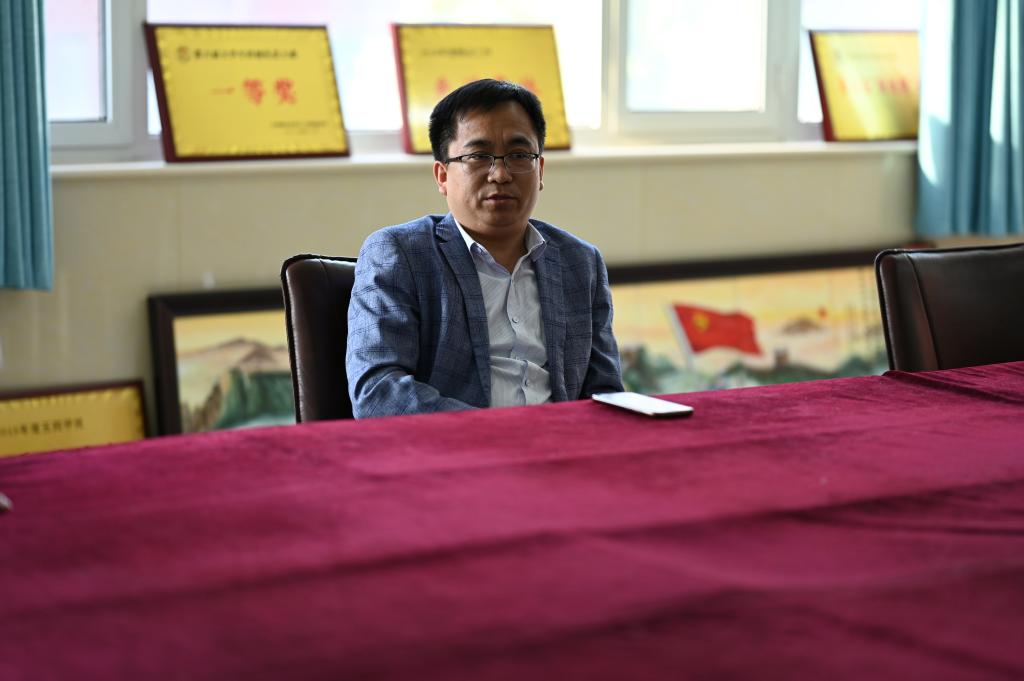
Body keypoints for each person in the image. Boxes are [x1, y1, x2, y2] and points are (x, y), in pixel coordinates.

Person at [346, 79, 623, 418]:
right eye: (478, 156)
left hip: (562, 443)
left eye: (519, 155)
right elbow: (378, 391)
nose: (500, 174)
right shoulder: (399, 253)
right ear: (442, 176)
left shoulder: (580, 262)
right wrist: (498, 434)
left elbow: (605, 393)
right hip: (456, 447)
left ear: (540, 170)